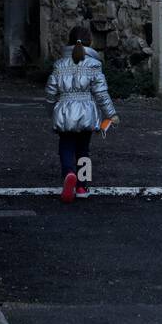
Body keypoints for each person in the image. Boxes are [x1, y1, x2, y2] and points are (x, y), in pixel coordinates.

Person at [45, 25, 119, 204]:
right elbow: (101, 93)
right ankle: (82, 186)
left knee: (66, 146)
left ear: (69, 41)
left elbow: (50, 93)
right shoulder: (94, 65)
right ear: (89, 42)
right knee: (83, 150)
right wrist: (111, 114)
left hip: (64, 113)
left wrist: (52, 112)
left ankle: (68, 173)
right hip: (87, 114)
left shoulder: (59, 64)